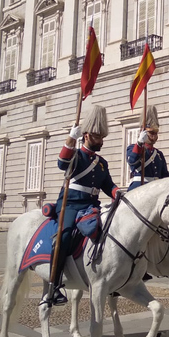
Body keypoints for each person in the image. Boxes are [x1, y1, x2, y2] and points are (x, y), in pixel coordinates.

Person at [45, 105, 119, 306]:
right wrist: (70, 139)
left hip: (91, 206)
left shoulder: (102, 163)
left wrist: (117, 193)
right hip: (70, 204)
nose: (101, 141)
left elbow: (107, 185)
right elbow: (61, 162)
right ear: (85, 136)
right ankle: (54, 286)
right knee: (63, 236)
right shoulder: (77, 156)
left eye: (102, 137)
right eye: (97, 137)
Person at [126, 105, 169, 190]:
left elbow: (165, 175)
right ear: (143, 132)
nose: (154, 136)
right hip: (139, 188)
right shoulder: (132, 148)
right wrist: (139, 143)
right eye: (151, 133)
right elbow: (132, 161)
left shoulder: (159, 154)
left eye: (155, 133)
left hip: (156, 189)